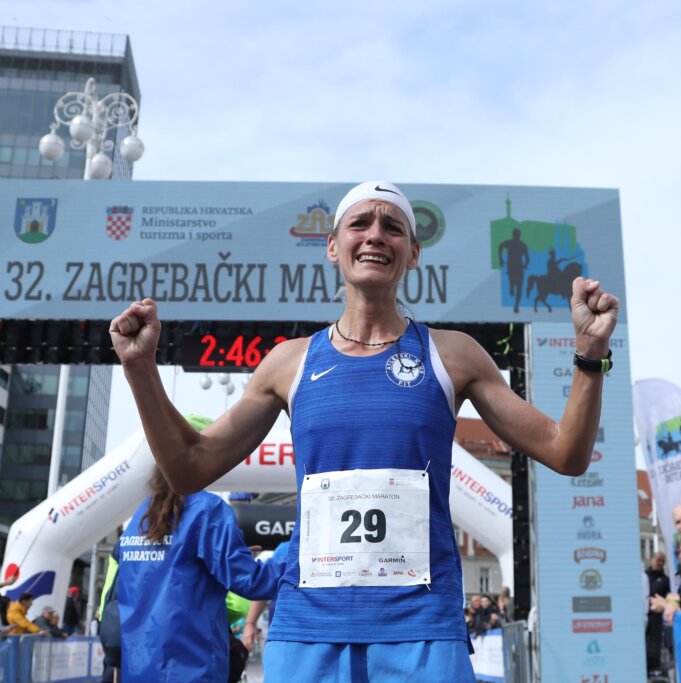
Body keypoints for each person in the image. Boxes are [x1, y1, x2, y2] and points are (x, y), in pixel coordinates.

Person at [108, 180, 619, 682]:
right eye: (360, 223)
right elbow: (188, 466)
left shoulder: (452, 353)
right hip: (307, 632)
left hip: (423, 632)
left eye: (392, 226)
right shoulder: (289, 363)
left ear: (413, 253)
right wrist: (140, 368)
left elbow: (565, 452)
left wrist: (590, 357)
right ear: (333, 246)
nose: (375, 234)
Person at [116, 460, 282, 682]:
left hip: (139, 668)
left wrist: (224, 558)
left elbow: (163, 576)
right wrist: (303, 562)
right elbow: (252, 581)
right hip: (193, 666)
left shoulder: (141, 516)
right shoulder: (206, 509)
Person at [644, 552, 670, 676]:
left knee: (654, 648)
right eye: (658, 560)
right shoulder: (643, 577)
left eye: (662, 561)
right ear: (652, 560)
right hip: (641, 618)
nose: (659, 563)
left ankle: (654, 672)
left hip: (656, 620)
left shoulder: (666, 580)